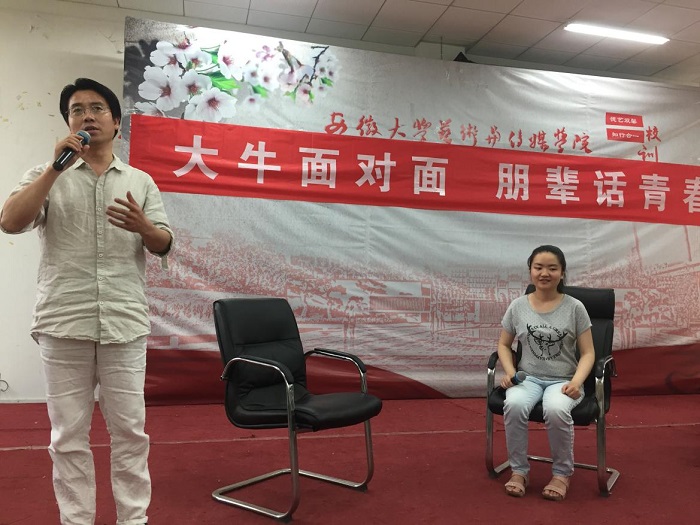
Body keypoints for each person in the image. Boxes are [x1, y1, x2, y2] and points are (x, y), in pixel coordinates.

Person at [0, 78, 173, 525]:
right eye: (77, 110)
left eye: (97, 108)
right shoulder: (46, 175)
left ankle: (133, 520)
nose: (87, 116)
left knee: (130, 432)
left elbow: (163, 243)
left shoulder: (140, 181)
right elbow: (10, 222)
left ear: (116, 122)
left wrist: (145, 228)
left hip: (124, 323)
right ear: (68, 124)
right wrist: (54, 171)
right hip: (64, 321)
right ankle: (76, 520)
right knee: (67, 435)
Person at [497, 245, 594, 501]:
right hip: (527, 378)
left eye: (552, 268)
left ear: (562, 273)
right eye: (538, 267)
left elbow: (588, 353)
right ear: (530, 270)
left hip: (563, 381)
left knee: (555, 409)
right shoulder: (518, 306)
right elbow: (503, 345)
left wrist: (576, 382)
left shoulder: (575, 308)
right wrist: (511, 372)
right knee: (514, 404)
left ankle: (562, 474)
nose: (544, 273)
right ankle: (519, 471)